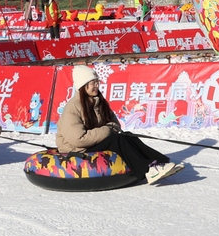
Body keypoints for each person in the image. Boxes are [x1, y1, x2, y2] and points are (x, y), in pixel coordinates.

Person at [55, 65, 183, 184]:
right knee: (117, 140)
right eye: (93, 83)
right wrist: (107, 130)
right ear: (83, 85)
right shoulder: (73, 107)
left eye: (97, 82)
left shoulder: (99, 102)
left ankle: (161, 162)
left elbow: (115, 124)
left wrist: (110, 129)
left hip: (92, 141)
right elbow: (78, 139)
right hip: (77, 147)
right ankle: (148, 170)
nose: (96, 85)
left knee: (127, 136)